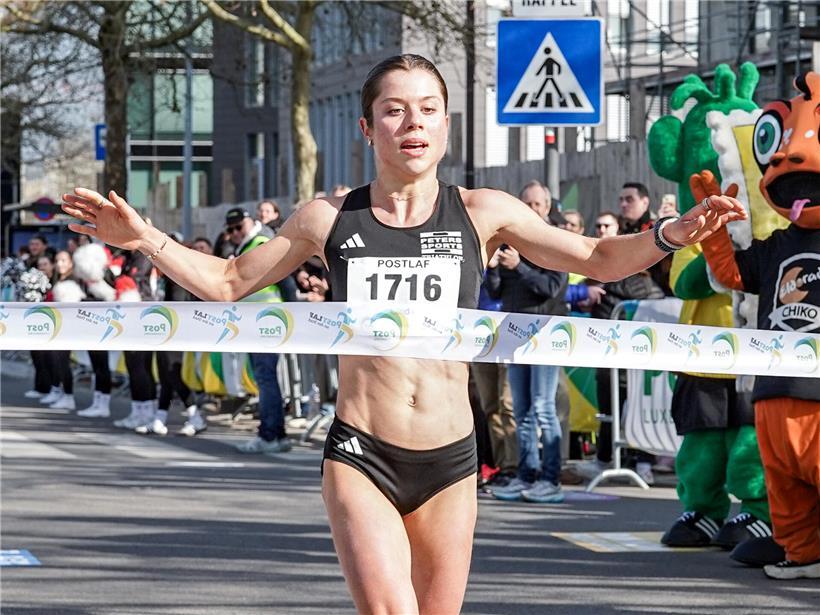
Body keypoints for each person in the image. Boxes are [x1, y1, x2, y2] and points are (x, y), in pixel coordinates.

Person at [62, 54, 745, 613]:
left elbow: (597, 259)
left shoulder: (483, 212)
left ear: (445, 127)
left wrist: (668, 233)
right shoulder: (326, 219)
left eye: (427, 110)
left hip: (450, 457)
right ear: (367, 128)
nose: (411, 123)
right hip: (363, 451)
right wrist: (147, 236)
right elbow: (230, 280)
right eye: (394, 109)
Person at [485, 180, 568, 504]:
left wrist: (519, 267)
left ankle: (551, 478)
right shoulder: (512, 240)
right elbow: (496, 292)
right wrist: (493, 269)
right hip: (515, 333)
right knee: (521, 410)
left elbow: (551, 288)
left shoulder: (556, 241)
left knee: (544, 407)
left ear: (546, 207)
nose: (532, 210)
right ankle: (526, 474)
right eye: (526, 204)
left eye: (536, 205)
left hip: (546, 333)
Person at [223, 207, 291, 453]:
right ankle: (277, 435)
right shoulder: (248, 245)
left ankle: (269, 435)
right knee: (266, 378)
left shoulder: (261, 243)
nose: (234, 233)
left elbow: (285, 281)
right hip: (258, 323)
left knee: (266, 379)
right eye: (230, 230)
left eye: (238, 227)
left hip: (267, 323)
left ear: (250, 222)